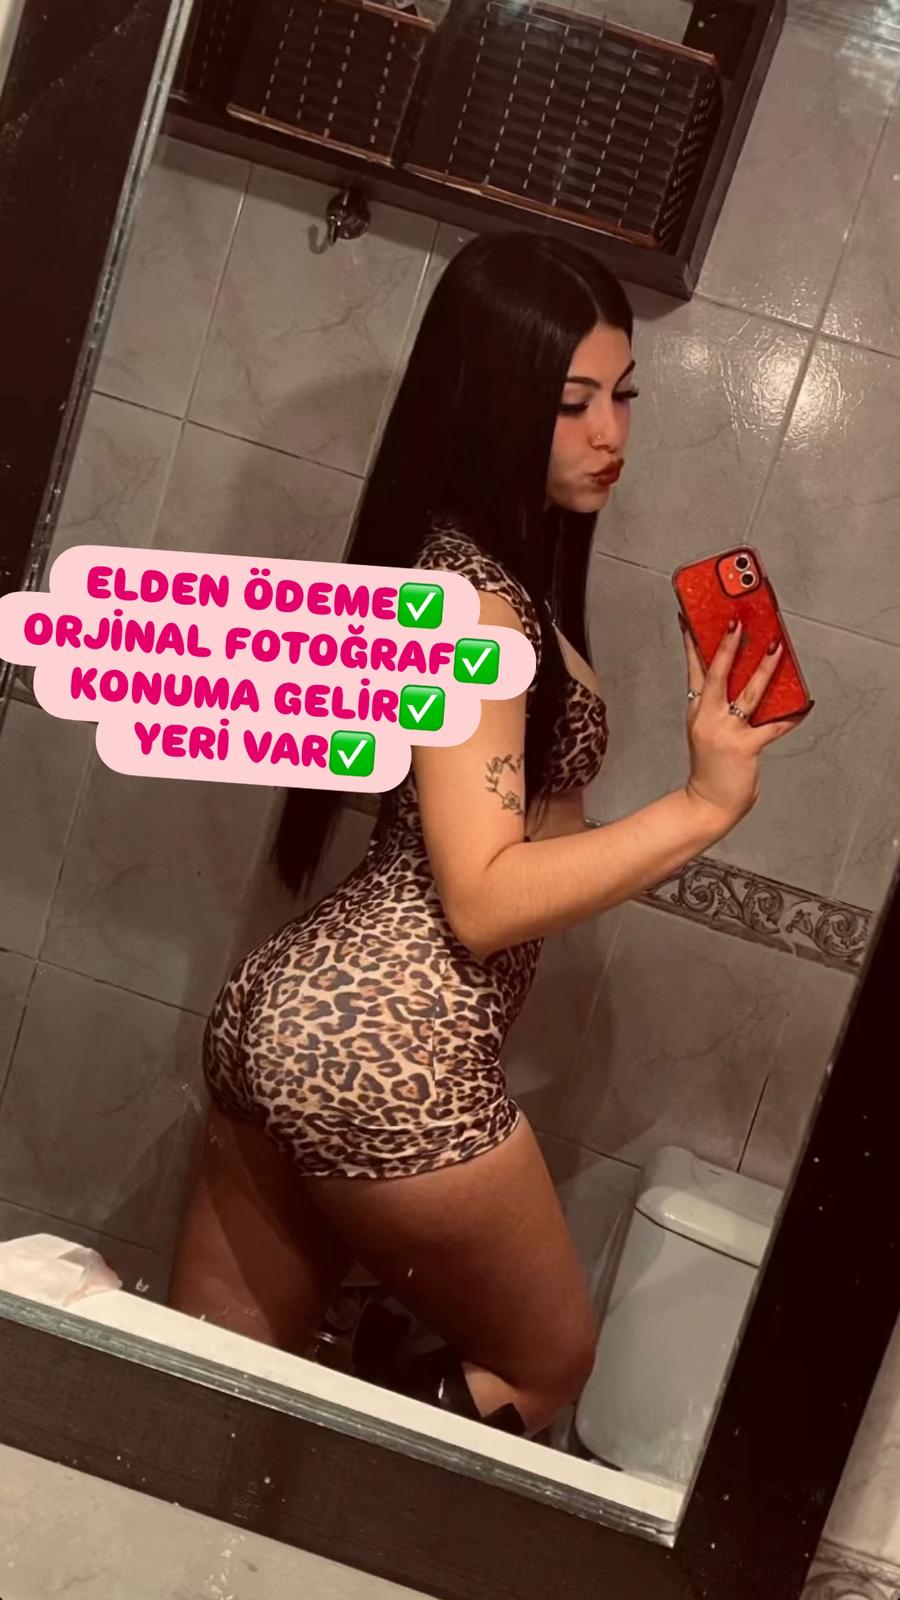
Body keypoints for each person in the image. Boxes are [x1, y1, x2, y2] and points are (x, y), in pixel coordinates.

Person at [167, 232, 806, 1438]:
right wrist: (703, 805)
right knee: (547, 1361)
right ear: (493, 401)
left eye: (623, 395)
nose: (611, 433)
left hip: (298, 1011)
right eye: (573, 403)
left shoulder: (472, 576)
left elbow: (518, 855)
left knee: (199, 1388)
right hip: (391, 1035)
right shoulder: (473, 604)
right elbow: (484, 896)